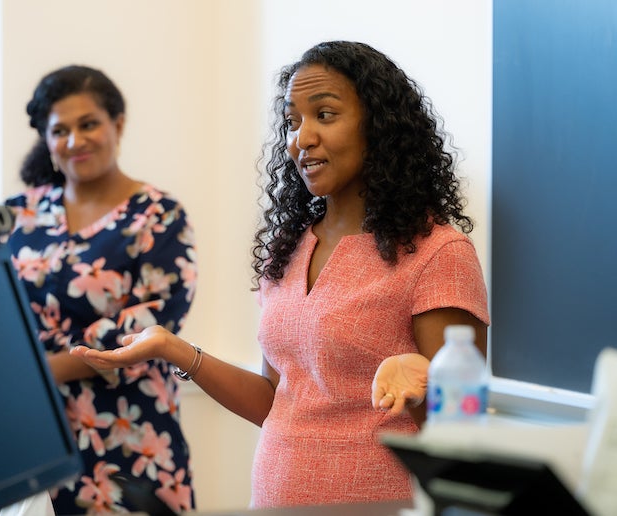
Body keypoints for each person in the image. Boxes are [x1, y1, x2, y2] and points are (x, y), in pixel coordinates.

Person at [72, 41, 490, 508]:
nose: (302, 138)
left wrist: (418, 385)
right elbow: (275, 400)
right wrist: (174, 347)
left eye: (325, 115)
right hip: (275, 499)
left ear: (380, 127)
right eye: (293, 122)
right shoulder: (288, 249)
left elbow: (461, 436)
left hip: (381, 503)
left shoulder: (438, 252)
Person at [5, 65, 197, 515]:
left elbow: (154, 319)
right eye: (60, 130)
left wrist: (37, 371)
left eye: (88, 124)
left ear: (118, 124)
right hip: (30, 435)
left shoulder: (158, 215)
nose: (74, 141)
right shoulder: (21, 214)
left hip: (128, 433)